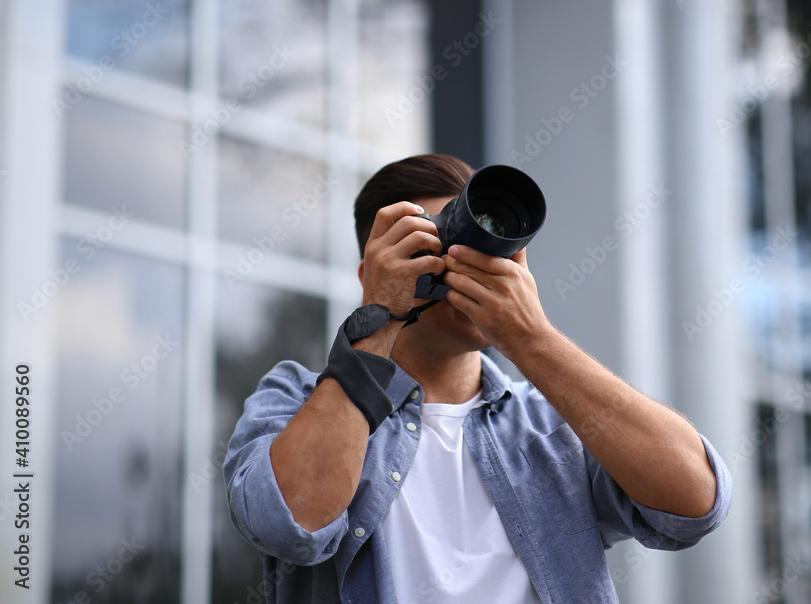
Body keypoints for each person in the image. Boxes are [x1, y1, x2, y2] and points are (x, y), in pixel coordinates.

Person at [224, 153, 732, 603]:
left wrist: (533, 340)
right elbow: (288, 525)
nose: (472, 263)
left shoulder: (549, 422)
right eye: (440, 242)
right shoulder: (296, 398)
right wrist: (379, 317)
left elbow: (695, 503)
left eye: (489, 247)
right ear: (373, 272)